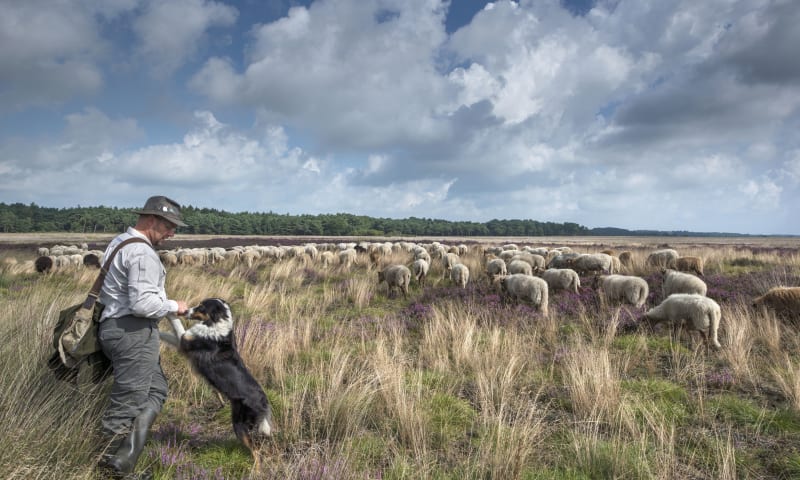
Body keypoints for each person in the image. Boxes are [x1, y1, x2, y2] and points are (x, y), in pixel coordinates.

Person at [97, 195, 189, 477]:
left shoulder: (119, 243)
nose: (172, 233)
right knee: (129, 402)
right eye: (169, 226)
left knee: (156, 389)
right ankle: (109, 468)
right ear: (151, 220)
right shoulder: (142, 253)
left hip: (118, 327)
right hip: (131, 332)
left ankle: (124, 459)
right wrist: (175, 306)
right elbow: (141, 304)